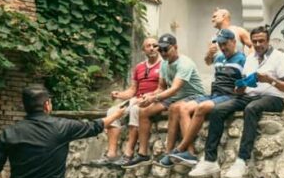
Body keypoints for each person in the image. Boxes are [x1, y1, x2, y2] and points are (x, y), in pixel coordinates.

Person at [189, 26, 284, 178]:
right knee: (217, 109)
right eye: (255, 41)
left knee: (251, 109)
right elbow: (242, 86)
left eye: (261, 41)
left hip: (273, 97)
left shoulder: (279, 57)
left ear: (268, 41)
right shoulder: (250, 58)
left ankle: (242, 161)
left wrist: (270, 80)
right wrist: (240, 87)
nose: (257, 44)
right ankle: (210, 160)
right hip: (250, 95)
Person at [161, 29, 246, 167]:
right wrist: (209, 53)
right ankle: (190, 153)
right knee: (182, 108)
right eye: (220, 44)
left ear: (233, 42)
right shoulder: (220, 57)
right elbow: (207, 61)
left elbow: (245, 82)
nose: (223, 47)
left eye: (225, 44)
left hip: (229, 95)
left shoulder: (242, 59)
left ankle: (180, 149)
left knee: (202, 107)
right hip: (214, 94)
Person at [124, 34, 206, 168]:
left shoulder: (185, 63)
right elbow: (161, 88)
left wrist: (154, 98)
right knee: (143, 111)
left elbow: (174, 88)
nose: (162, 53)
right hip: (174, 97)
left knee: (175, 108)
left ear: (175, 47)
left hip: (193, 95)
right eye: (160, 49)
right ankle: (143, 154)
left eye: (165, 49)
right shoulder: (164, 64)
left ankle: (187, 153)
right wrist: (148, 96)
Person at [98, 37, 162, 164]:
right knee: (112, 111)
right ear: (143, 50)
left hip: (152, 100)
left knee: (135, 110)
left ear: (159, 48)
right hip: (136, 98)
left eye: (154, 45)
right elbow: (133, 90)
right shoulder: (139, 67)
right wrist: (119, 94)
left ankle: (129, 153)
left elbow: (162, 88)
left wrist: (148, 96)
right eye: (148, 46)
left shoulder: (164, 65)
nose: (152, 48)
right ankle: (111, 154)